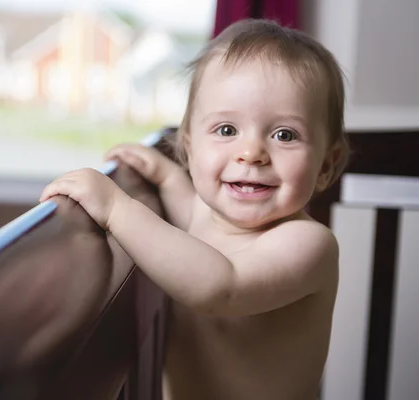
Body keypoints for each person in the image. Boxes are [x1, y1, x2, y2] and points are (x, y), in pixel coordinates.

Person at [40, 18, 350, 400]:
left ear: (325, 166)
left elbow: (221, 286)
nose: (251, 152)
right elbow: (184, 200)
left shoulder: (308, 245)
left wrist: (117, 208)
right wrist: (164, 173)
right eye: (226, 130)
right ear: (189, 146)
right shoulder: (203, 216)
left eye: (284, 135)